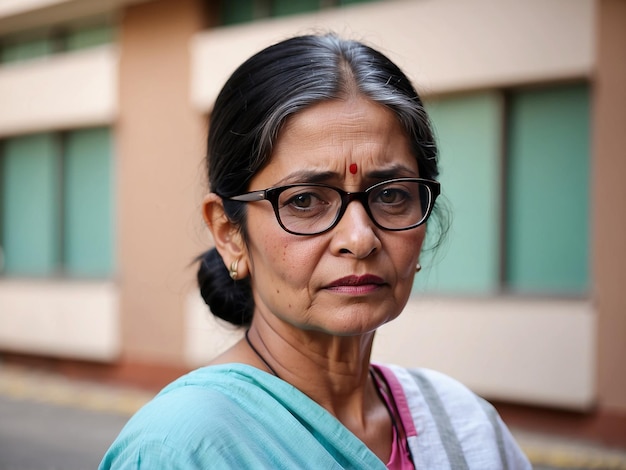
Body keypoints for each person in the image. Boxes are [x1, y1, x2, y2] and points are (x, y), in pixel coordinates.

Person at [100, 33, 531, 469]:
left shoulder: (462, 424)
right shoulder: (183, 448)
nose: (361, 238)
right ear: (230, 232)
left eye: (391, 195)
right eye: (304, 200)